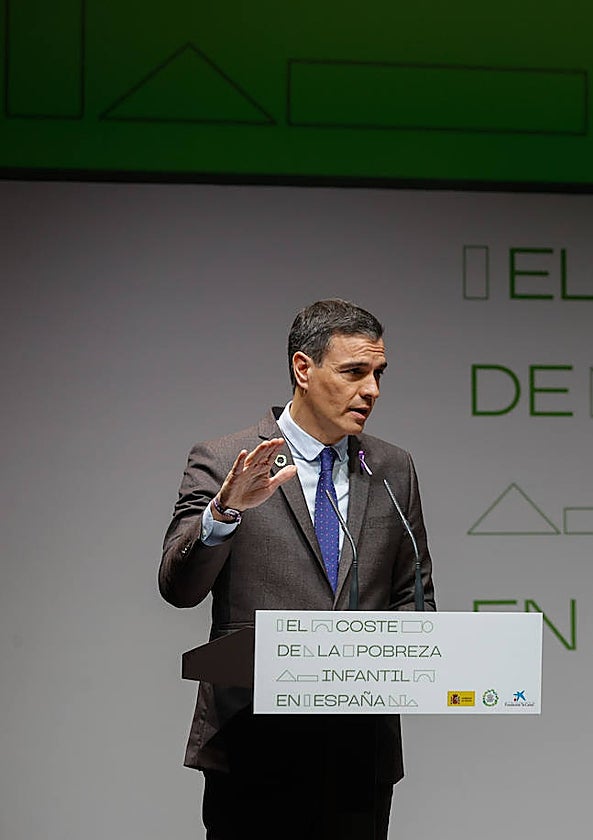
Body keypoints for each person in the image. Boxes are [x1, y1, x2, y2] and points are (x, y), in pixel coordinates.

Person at [159, 299, 436, 839]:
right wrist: (224, 511)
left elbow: (413, 594)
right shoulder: (226, 460)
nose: (372, 390)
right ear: (303, 369)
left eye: (379, 374)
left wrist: (421, 651)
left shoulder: (391, 468)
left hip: (361, 755)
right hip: (253, 747)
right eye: (354, 372)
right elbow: (177, 585)